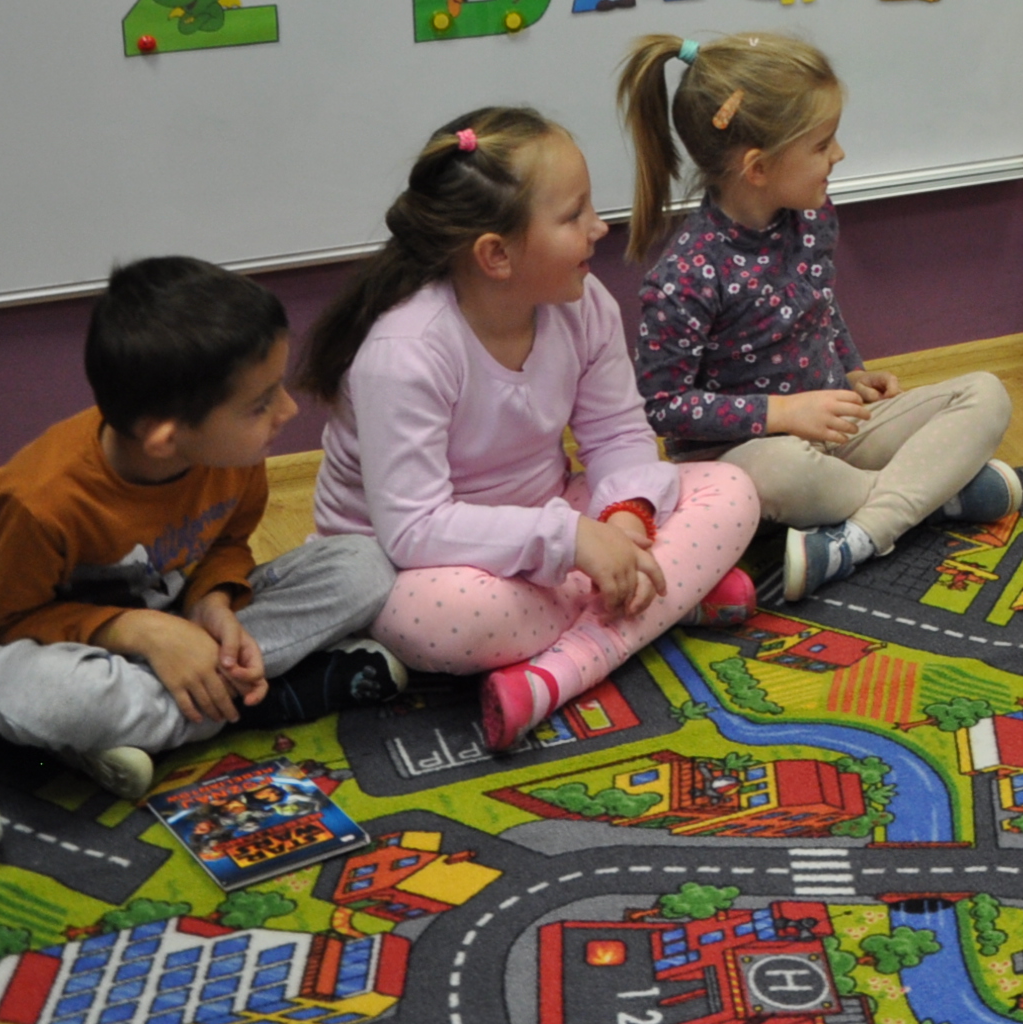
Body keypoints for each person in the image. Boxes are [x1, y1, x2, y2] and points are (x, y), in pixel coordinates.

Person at [304, 111, 761, 754]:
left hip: (544, 519)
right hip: (416, 560)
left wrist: (626, 519)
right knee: (452, 619)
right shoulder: (405, 352)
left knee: (733, 488)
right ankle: (666, 595)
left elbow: (616, 433)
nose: (598, 228)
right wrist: (573, 541)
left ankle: (558, 670)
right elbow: (414, 529)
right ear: (496, 255)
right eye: (574, 215)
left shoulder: (584, 303)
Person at [0, 258, 399, 803]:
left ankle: (164, 711)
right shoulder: (40, 500)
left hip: (177, 618)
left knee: (363, 566)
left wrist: (213, 602)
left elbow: (226, 542)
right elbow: (8, 622)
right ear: (165, 440)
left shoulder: (234, 451)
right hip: (42, 643)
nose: (286, 410)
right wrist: (142, 632)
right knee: (45, 698)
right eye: (260, 404)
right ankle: (259, 698)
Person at [619, 32, 1017, 605]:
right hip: (747, 458)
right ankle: (932, 497)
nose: (839, 155)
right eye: (823, 144)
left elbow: (819, 305)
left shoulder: (813, 216)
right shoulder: (686, 275)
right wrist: (782, 412)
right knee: (779, 471)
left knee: (984, 393)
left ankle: (860, 532)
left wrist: (852, 370)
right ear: (759, 167)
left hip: (835, 435)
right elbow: (663, 406)